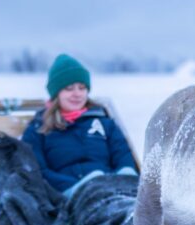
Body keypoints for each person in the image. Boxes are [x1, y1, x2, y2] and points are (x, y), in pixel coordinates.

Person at [22, 54, 138, 196]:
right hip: (69, 196)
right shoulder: (38, 129)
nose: (77, 94)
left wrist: (125, 176)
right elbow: (37, 171)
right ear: (56, 93)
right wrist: (74, 188)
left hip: (111, 189)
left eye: (82, 88)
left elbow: (122, 155)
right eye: (69, 88)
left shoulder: (104, 122)